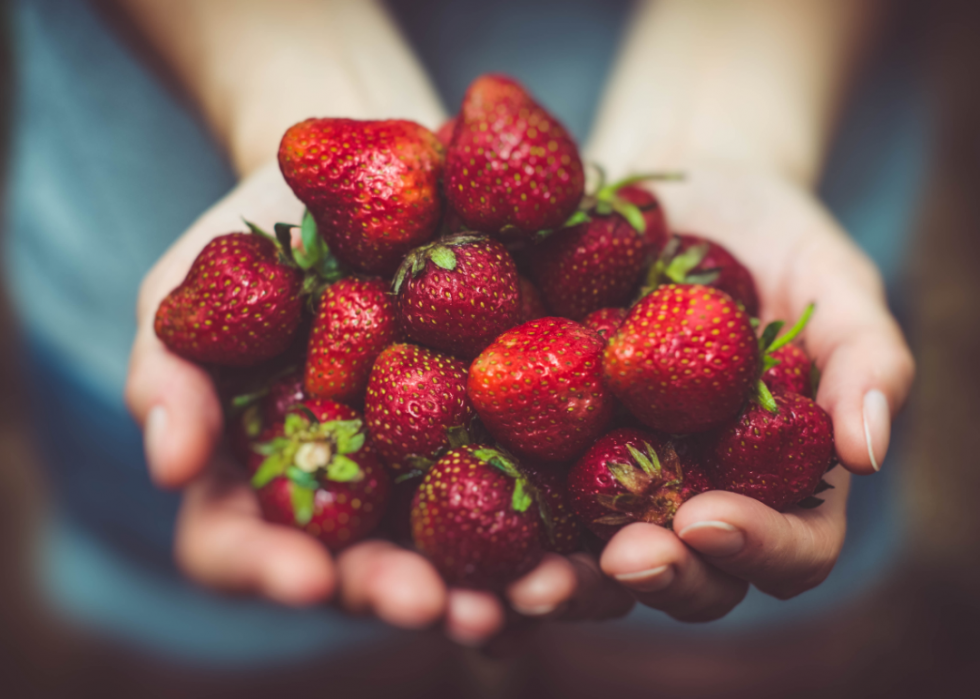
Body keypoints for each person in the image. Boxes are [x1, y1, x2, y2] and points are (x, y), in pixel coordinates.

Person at [4, 0, 917, 662]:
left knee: (712, 665)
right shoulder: (417, 317)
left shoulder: (600, 328)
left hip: (796, 104)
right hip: (145, 190)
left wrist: (731, 130)